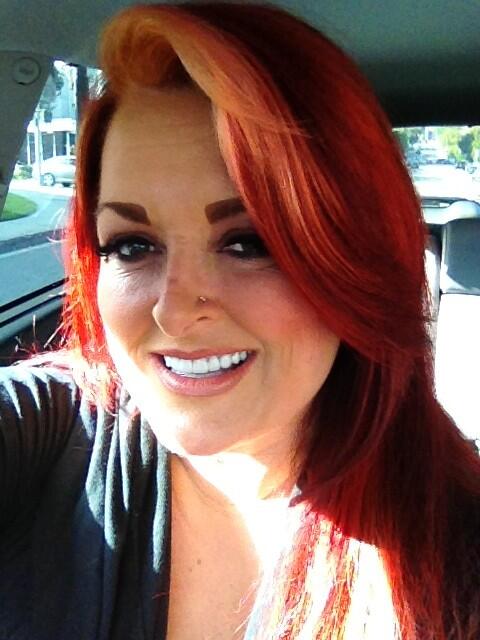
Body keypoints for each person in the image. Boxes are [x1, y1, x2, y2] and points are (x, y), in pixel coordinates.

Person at [1, 3, 479, 639]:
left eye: (249, 243)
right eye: (132, 245)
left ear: (353, 263)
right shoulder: (45, 432)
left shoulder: (456, 552)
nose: (173, 312)